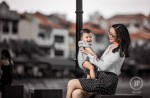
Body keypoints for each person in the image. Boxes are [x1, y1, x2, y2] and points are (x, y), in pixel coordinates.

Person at [66, 24, 131, 98]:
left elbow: (103, 66)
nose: (109, 35)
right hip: (99, 79)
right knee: (76, 93)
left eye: (112, 34)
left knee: (71, 83)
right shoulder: (110, 47)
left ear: (119, 37)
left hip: (107, 83)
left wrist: (88, 54)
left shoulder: (119, 52)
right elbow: (100, 62)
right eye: (109, 32)